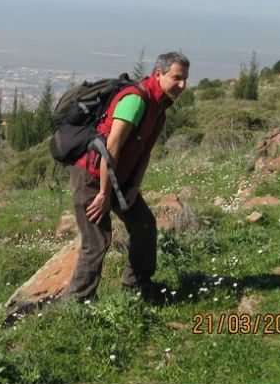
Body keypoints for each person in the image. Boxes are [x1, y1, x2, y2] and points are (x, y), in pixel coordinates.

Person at [66, 51, 190, 302]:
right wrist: (103, 193)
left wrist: (134, 187)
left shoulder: (160, 109)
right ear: (158, 73)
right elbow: (110, 149)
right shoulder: (136, 100)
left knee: (145, 227)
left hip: (119, 179)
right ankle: (77, 304)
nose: (182, 85)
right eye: (177, 78)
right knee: (97, 242)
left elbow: (145, 152)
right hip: (92, 176)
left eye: (185, 79)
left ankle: (136, 290)